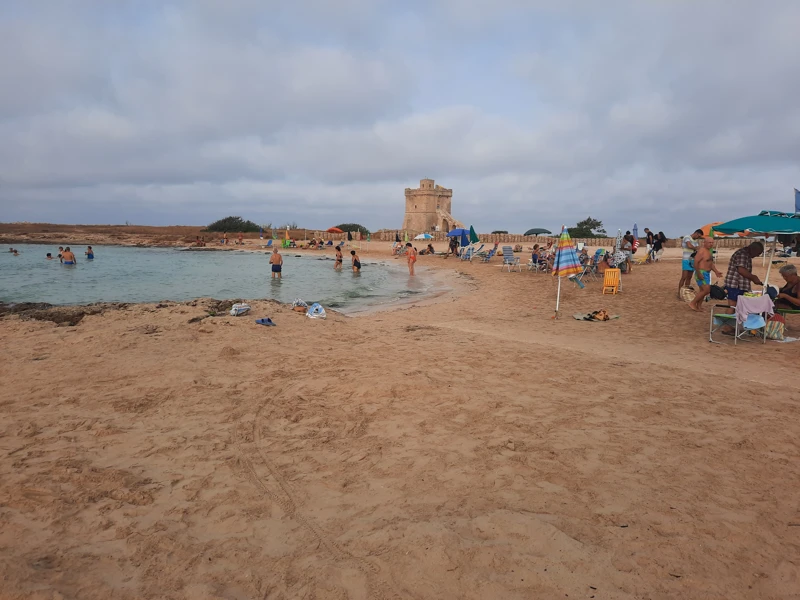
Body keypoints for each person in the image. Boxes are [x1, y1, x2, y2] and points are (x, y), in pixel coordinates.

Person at [724, 242, 764, 307]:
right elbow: (741, 270)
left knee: (739, 307)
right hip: (735, 285)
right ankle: (729, 317)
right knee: (732, 306)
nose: (757, 255)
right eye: (758, 253)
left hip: (740, 285)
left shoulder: (746, 255)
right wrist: (753, 277)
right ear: (753, 249)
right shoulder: (742, 254)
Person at [688, 238, 723, 311]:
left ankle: (699, 306)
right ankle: (693, 303)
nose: (711, 244)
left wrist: (716, 271)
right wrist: (698, 273)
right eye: (709, 242)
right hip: (701, 272)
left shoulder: (709, 251)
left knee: (702, 290)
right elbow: (695, 262)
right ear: (704, 242)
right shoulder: (701, 251)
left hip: (707, 273)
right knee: (706, 290)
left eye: (712, 242)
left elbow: (710, 263)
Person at [679, 229, 704, 298]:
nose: (698, 238)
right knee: (683, 277)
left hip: (692, 260)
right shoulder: (687, 237)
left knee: (689, 277)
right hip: (686, 260)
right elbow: (689, 246)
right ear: (696, 233)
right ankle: (679, 292)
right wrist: (696, 248)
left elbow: (697, 249)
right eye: (698, 236)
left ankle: (686, 292)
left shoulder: (696, 241)